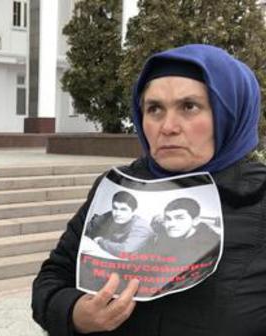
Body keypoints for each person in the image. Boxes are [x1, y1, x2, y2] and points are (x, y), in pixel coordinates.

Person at [32, 44, 266, 335]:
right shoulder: (118, 188)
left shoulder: (259, 198)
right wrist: (74, 313)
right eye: (154, 109)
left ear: (230, 114)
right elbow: (52, 280)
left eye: (189, 107)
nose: (167, 126)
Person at [148, 197, 220, 264]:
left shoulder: (209, 245)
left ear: (195, 221)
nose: (171, 224)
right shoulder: (163, 233)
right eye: (168, 218)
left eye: (180, 218)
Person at [84, 191, 153, 256]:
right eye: (115, 208)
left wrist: (100, 241)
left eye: (123, 209)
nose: (117, 213)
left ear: (134, 211)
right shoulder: (110, 215)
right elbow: (87, 228)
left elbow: (125, 251)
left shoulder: (141, 226)